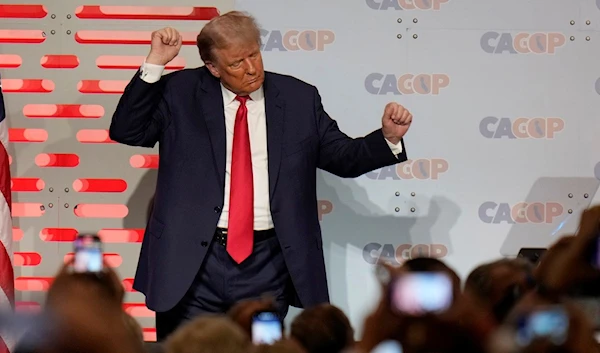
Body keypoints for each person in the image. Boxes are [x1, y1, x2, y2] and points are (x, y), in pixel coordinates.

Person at [109, 10, 413, 341]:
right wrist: (155, 63)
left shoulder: (299, 98)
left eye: (254, 54)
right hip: (192, 262)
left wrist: (388, 138)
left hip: (267, 262)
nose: (252, 69)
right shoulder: (180, 92)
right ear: (213, 67)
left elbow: (342, 157)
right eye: (237, 63)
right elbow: (128, 130)